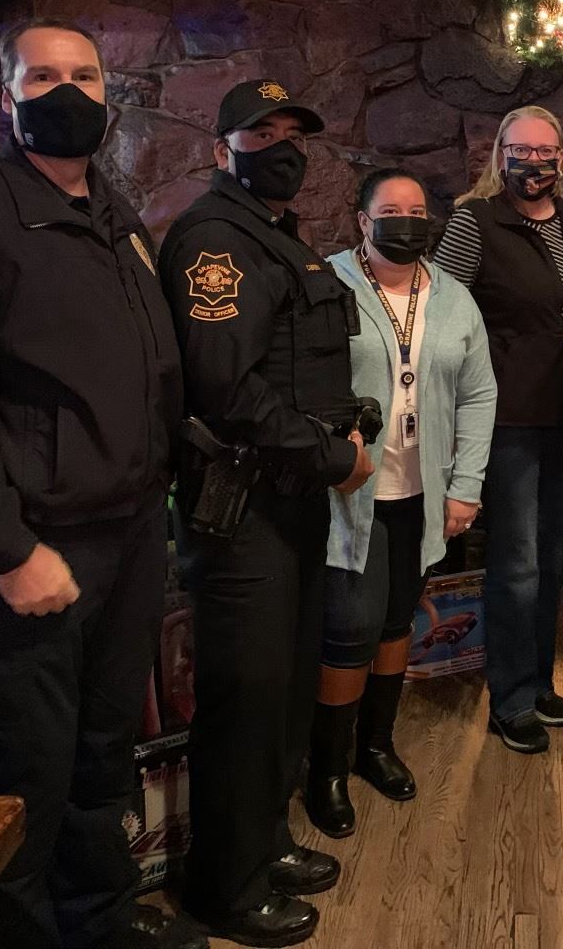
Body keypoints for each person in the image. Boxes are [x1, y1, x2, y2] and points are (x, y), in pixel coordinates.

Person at [0, 19, 201, 949]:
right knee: (26, 775)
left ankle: (98, 928)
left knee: (104, 758)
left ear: (109, 95)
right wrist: (6, 550)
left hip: (132, 535)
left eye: (85, 75)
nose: (66, 90)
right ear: (6, 95)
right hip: (37, 549)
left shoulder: (115, 214)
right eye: (42, 74)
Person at [160, 80, 372, 948]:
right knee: (244, 700)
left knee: (280, 689)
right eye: (261, 132)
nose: (282, 146)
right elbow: (226, 386)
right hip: (243, 504)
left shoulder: (276, 239)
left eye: (294, 133)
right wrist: (333, 457)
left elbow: (289, 365)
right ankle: (224, 884)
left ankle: (264, 840)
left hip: (289, 501)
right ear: (222, 150)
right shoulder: (215, 241)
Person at [305, 168, 497, 838]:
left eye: (418, 210)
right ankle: (325, 767)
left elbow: (479, 394)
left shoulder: (452, 297)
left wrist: (466, 486)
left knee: (394, 622)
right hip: (348, 494)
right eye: (391, 210)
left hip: (421, 492)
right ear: (362, 220)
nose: (407, 221)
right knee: (349, 630)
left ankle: (375, 747)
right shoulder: (325, 284)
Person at [432, 106, 563, 754]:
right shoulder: (476, 222)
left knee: (553, 558)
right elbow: (444, 314)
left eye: (547, 149)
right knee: (518, 562)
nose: (535, 161)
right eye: (521, 149)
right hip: (505, 421)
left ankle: (538, 680)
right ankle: (511, 697)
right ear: (499, 154)